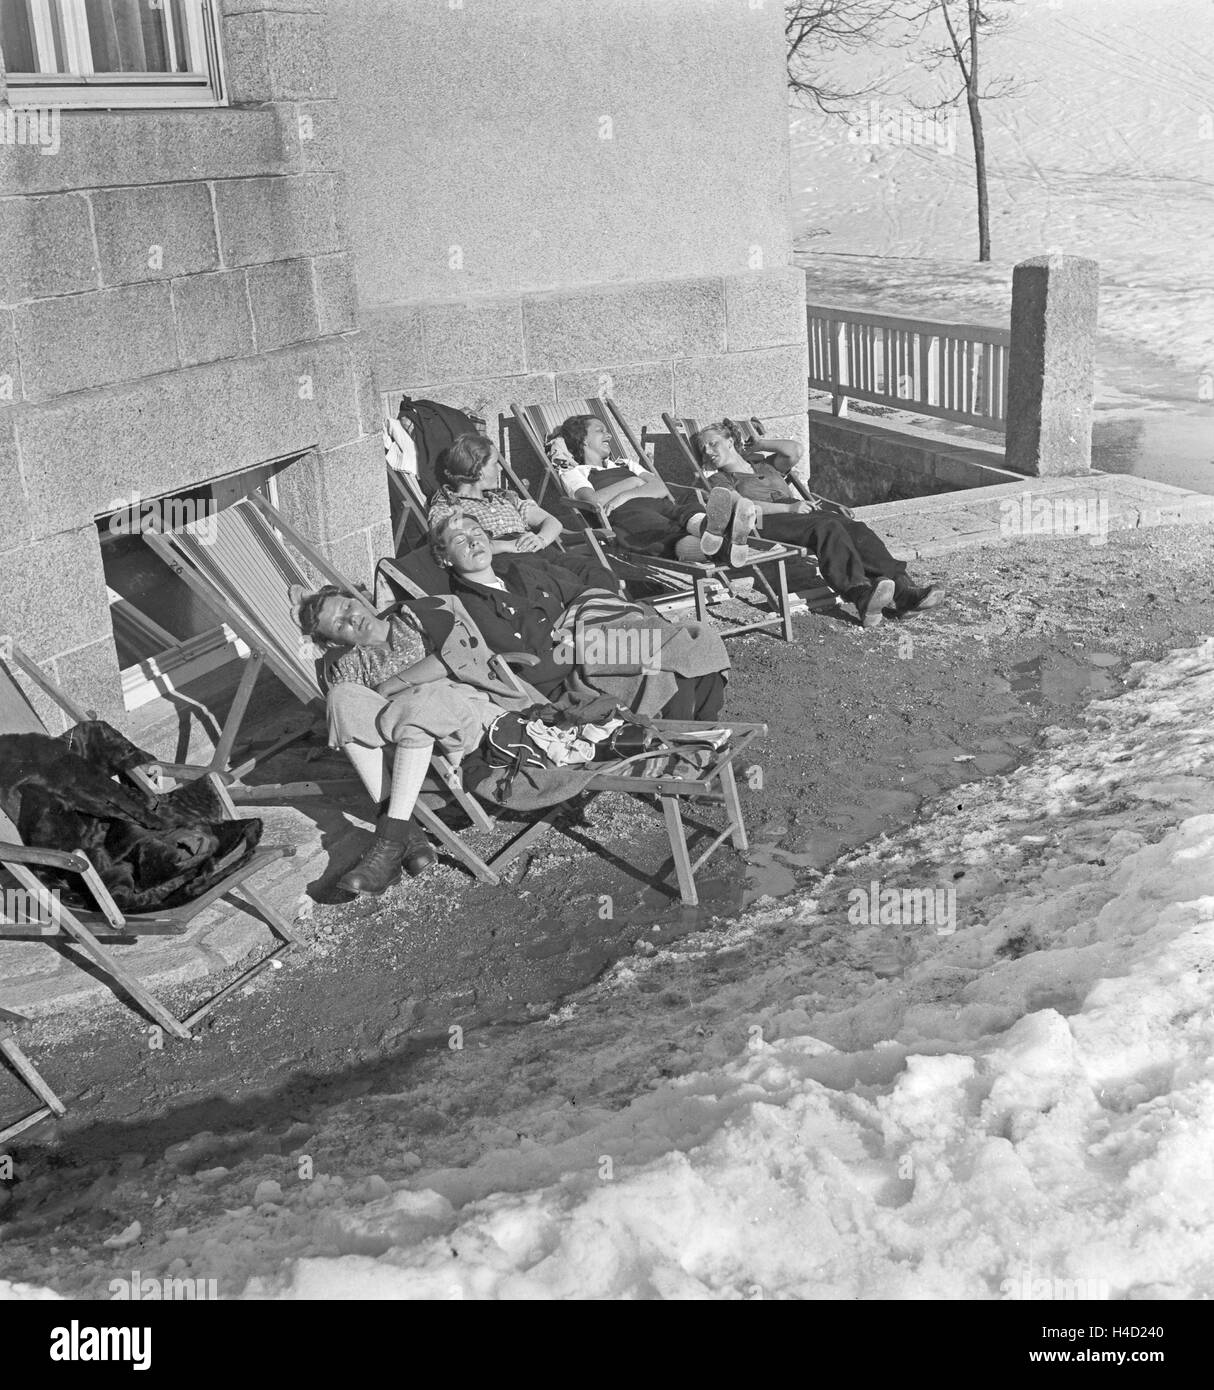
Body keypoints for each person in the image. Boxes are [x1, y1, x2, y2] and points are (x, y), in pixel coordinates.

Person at [297, 587, 539, 896]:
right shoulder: (348, 666)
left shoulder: (411, 618)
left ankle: (390, 842)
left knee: (419, 701)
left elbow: (455, 656)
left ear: (358, 599)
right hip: (415, 742)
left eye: (347, 607)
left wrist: (391, 686)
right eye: (340, 624)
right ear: (334, 641)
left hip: (466, 717)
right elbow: (356, 719)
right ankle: (403, 836)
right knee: (341, 697)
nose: (352, 619)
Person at [427, 513, 730, 721]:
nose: (473, 542)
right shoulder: (470, 606)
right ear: (444, 558)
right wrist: (576, 643)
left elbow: (582, 594)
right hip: (571, 672)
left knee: (695, 644)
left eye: (477, 534)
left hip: (597, 642)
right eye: (459, 540)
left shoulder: (520, 572)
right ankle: (696, 751)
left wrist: (597, 620)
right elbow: (526, 670)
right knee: (676, 660)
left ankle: (705, 740)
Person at [694, 421, 944, 627]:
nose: (708, 451)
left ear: (729, 441)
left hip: (799, 513)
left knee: (856, 528)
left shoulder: (763, 464)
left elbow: (794, 451)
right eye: (703, 449)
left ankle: (904, 590)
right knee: (827, 529)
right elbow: (743, 506)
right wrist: (789, 507)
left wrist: (759, 444)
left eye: (713, 443)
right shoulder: (720, 480)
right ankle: (860, 593)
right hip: (763, 521)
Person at [554, 414, 758, 564]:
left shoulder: (625, 463)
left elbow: (660, 487)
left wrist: (626, 494)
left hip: (657, 503)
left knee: (684, 507)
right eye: (600, 431)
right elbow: (592, 501)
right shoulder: (576, 472)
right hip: (629, 516)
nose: (608, 435)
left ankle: (716, 529)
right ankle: (726, 544)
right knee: (663, 533)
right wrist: (633, 483)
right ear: (583, 439)